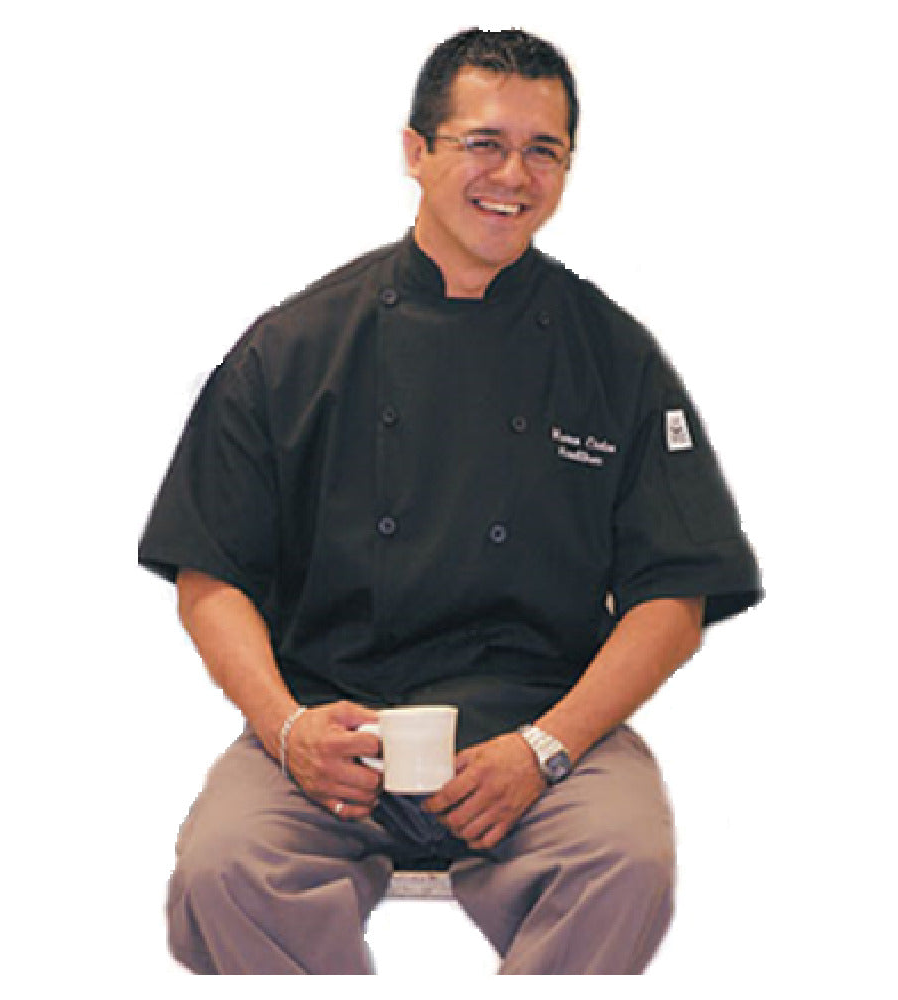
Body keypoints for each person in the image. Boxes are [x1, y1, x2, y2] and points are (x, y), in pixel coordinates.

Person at [138, 27, 762, 975]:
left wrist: (546, 748)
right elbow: (209, 574)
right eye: (483, 142)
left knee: (626, 861)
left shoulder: (614, 356)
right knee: (227, 866)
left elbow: (674, 598)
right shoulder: (294, 348)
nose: (512, 175)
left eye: (543, 150)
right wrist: (288, 730)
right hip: (334, 728)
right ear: (416, 150)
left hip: (544, 726)